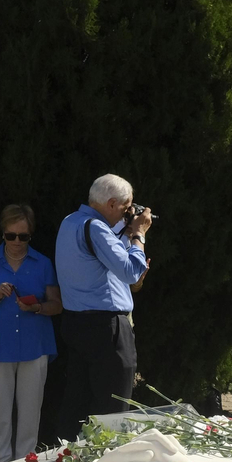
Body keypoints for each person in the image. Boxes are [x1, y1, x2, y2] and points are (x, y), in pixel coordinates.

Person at [55, 174, 151, 437]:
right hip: (106, 329)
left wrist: (125, 230)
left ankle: (68, 456)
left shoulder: (70, 222)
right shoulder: (95, 228)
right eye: (126, 206)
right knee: (114, 407)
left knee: (78, 401)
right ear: (111, 204)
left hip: (76, 323)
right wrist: (139, 235)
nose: (129, 211)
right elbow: (131, 272)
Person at [0, 204, 62, 462]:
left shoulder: (42, 262)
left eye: (23, 236)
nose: (17, 242)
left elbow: (57, 305)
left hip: (35, 345)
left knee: (30, 414)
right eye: (11, 235)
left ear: (30, 235)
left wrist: (38, 307)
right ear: (3, 233)